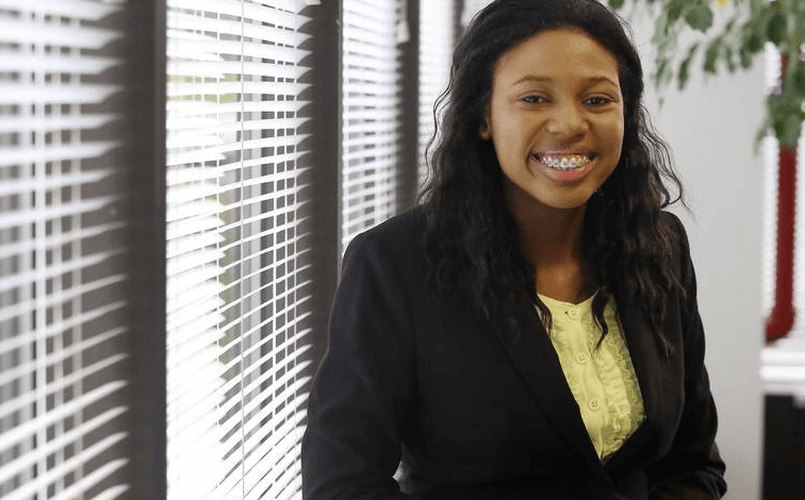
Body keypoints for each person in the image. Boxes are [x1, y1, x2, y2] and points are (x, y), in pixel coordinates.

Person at [301, 0, 727, 498]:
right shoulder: (394, 265)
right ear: (484, 116)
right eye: (534, 99)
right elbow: (342, 482)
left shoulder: (660, 246)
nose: (570, 123)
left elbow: (694, 461)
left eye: (596, 100)